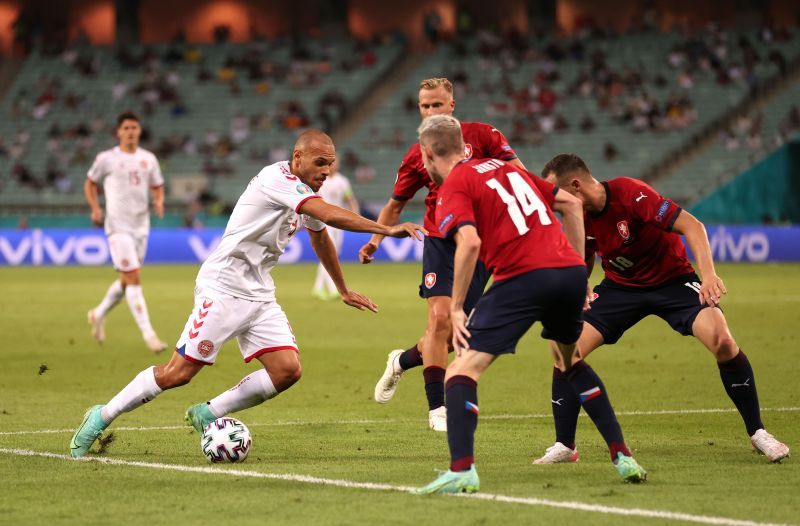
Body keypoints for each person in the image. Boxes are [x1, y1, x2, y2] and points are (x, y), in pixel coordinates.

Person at [69, 130, 426, 458]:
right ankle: (101, 416)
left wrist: (342, 288)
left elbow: (319, 235)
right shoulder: (277, 179)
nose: (327, 171)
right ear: (297, 157)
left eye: (330, 164)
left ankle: (209, 413)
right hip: (223, 287)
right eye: (320, 163)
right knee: (177, 373)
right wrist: (385, 229)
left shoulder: (307, 192)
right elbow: (326, 214)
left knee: (287, 370)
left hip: (259, 292)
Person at [415, 116, 646, 494]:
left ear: (427, 153)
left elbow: (470, 244)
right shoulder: (507, 169)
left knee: (460, 371)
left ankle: (461, 470)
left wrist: (457, 307)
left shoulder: (454, 185)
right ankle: (623, 455)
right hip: (569, 273)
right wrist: (577, 269)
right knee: (569, 361)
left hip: (522, 276)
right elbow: (571, 204)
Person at [535, 153, 789, 464]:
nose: (554, 203)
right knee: (565, 349)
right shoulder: (578, 217)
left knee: (723, 341)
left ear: (575, 186)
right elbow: (584, 255)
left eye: (556, 194)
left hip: (673, 281)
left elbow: (693, 226)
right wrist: (579, 286)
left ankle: (758, 433)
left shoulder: (632, 195)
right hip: (620, 288)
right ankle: (565, 444)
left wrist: (708, 275)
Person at [361, 77, 526, 432]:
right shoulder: (416, 155)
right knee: (438, 318)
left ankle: (402, 360)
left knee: (455, 332)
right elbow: (395, 205)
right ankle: (438, 408)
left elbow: (520, 176)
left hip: (481, 242)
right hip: (440, 237)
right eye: (425, 106)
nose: (431, 111)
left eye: (437, 105)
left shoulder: (484, 136)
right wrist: (375, 242)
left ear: (451, 106)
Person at [84, 111, 167, 353]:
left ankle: (97, 314)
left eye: (134, 127)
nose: (130, 131)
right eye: (126, 128)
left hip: (141, 226)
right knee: (134, 278)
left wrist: (159, 200)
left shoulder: (148, 159)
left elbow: (157, 185)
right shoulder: (107, 159)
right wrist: (95, 208)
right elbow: (90, 182)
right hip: (117, 226)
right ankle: (149, 335)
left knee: (126, 280)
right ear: (119, 132)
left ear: (139, 131)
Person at [312, 159, 359, 300]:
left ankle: (318, 288)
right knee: (329, 254)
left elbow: (350, 198)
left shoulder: (343, 181)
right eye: (331, 163)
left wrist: (355, 215)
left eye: (336, 162)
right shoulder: (321, 180)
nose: (334, 165)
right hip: (324, 220)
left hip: (339, 222)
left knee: (333, 254)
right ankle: (332, 289)